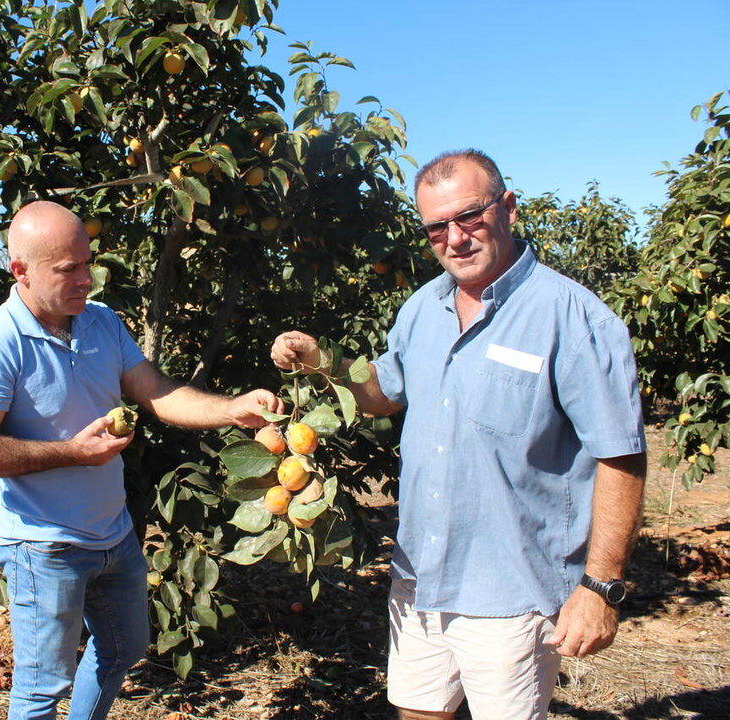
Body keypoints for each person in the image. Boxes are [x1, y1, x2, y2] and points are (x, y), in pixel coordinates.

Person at [271, 150, 647, 720]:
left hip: (512, 588)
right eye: (436, 227)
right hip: (420, 576)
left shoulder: (572, 317)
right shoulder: (423, 307)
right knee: (418, 712)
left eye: (470, 216)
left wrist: (601, 589)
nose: (456, 238)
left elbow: (620, 458)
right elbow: (382, 393)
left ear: (508, 208)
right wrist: (323, 361)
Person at [0, 200, 282, 720]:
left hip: (113, 535)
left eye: (88, 262)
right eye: (68, 269)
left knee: (123, 650)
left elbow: (157, 392)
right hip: (43, 545)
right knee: (40, 689)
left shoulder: (100, 322)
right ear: (21, 272)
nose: (87, 279)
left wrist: (230, 410)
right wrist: (72, 453)